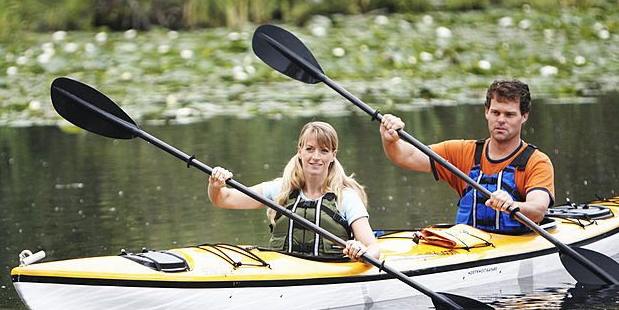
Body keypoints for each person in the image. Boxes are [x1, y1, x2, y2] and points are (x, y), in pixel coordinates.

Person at [379, 79, 554, 233]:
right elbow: (406, 156)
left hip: (512, 245)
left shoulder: (537, 162)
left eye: (509, 114)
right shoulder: (462, 152)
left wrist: (513, 205)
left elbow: (538, 208)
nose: (501, 120)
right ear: (486, 112)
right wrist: (390, 140)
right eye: (495, 112)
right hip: (469, 247)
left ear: (524, 116)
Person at [208, 121, 380, 261]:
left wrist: (360, 251)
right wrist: (216, 185)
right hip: (284, 272)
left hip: (329, 274)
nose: (315, 157)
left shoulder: (346, 198)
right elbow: (224, 199)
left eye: (324, 151)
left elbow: (374, 249)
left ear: (333, 155)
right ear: (300, 151)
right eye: (309, 149)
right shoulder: (281, 189)